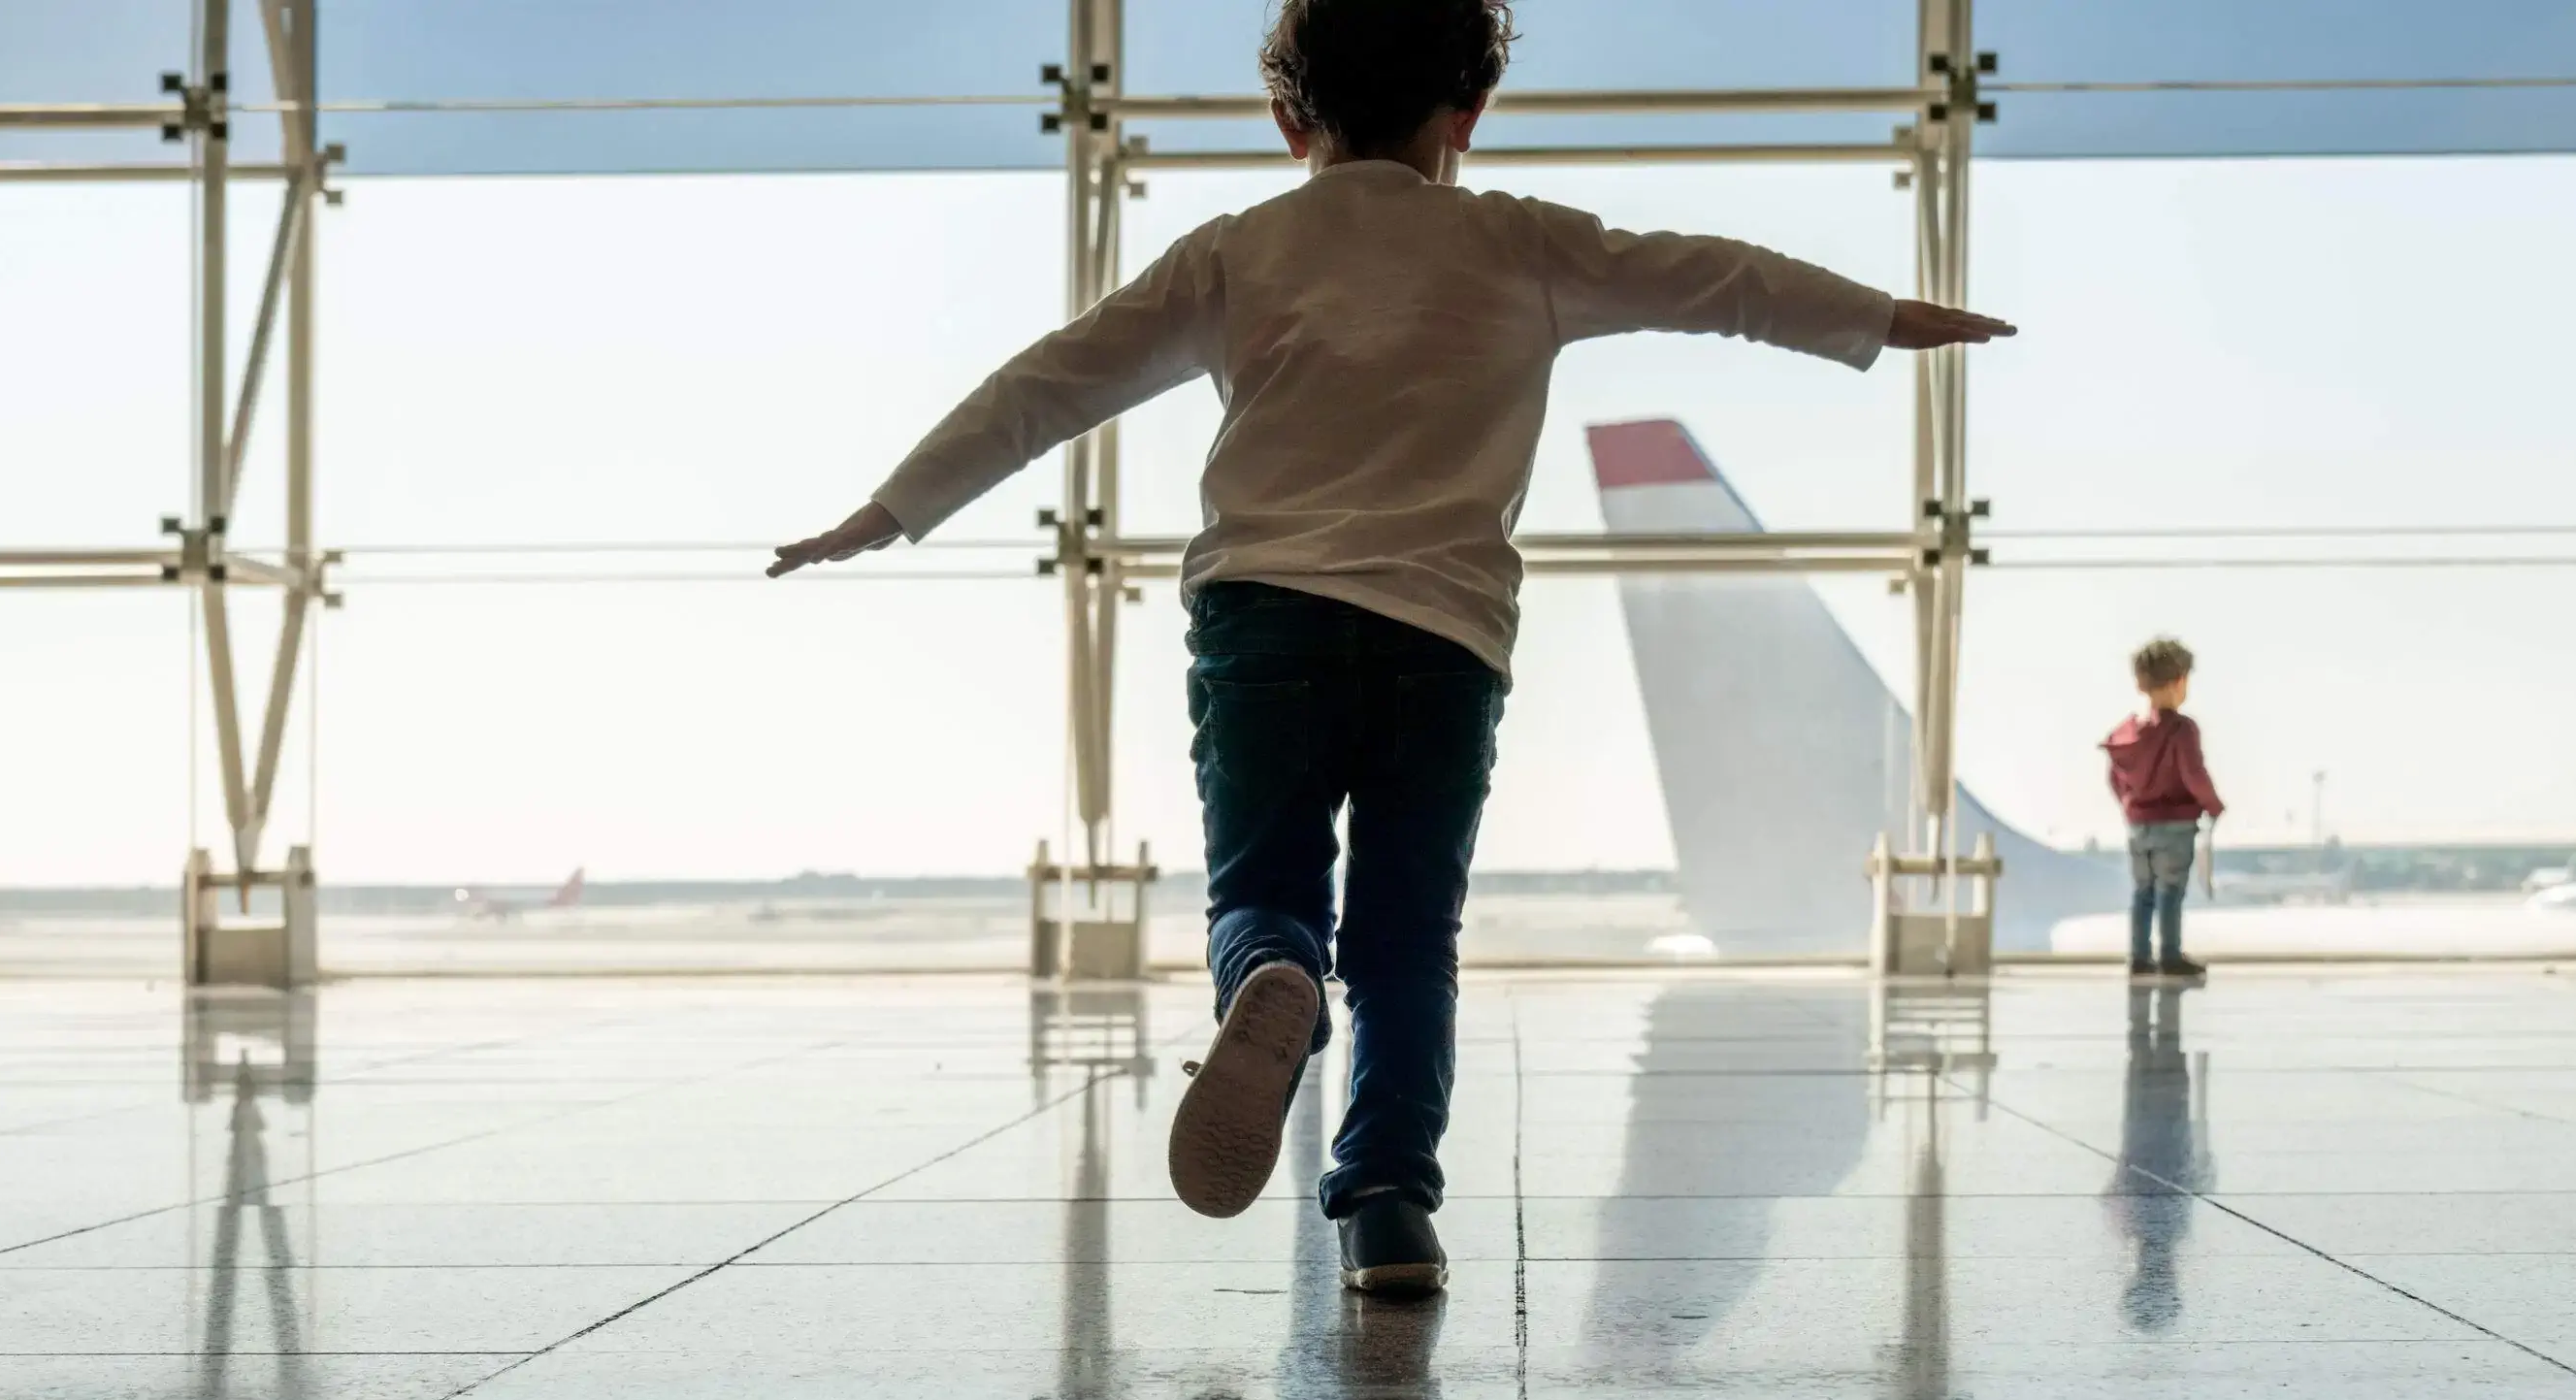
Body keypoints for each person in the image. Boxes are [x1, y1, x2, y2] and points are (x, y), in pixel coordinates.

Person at [767, 0, 2015, 1295]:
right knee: (1412, 935)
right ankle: (1389, 1206)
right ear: (1467, 113)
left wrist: (890, 509)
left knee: (1265, 890)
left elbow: (1048, 385)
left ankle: (1276, 975)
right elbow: (1718, 279)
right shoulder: (1523, 244)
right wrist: (1882, 316)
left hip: (1264, 617)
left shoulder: (1237, 253)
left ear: (1287, 117)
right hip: (1442, 638)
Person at [2103, 636, 2223, 979]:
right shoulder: (2182, 730)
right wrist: (2213, 806)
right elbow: (2194, 774)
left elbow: (2115, 778)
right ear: (2178, 681)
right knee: (2170, 890)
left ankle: (2139, 957)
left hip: (2138, 826)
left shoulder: (2126, 734)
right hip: (2175, 825)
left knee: (2142, 892)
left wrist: (2130, 806)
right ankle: (2169, 955)